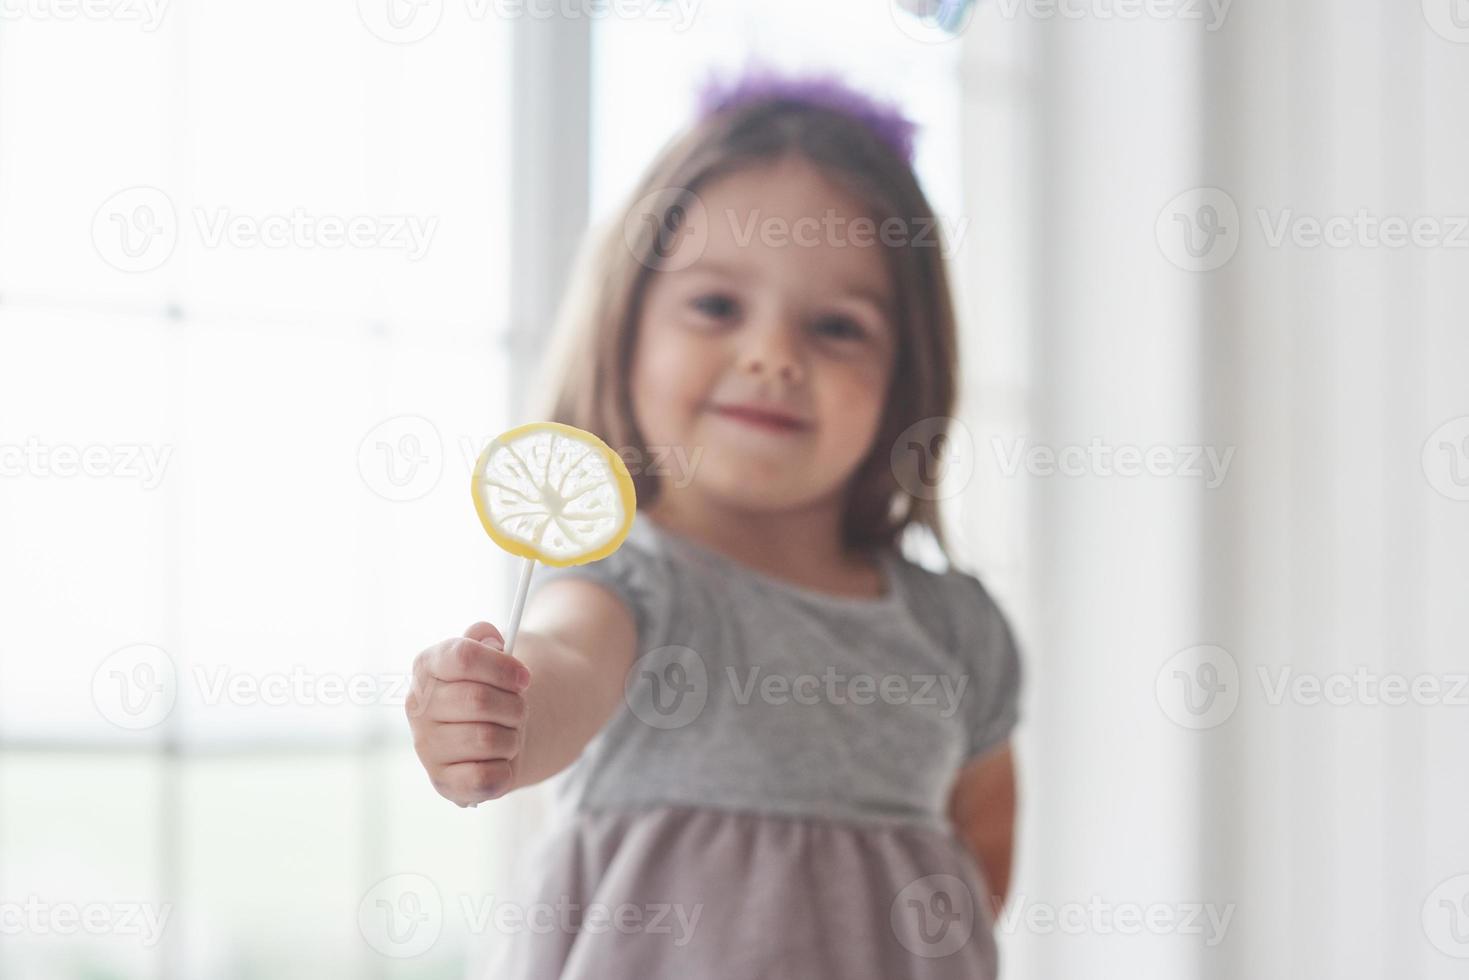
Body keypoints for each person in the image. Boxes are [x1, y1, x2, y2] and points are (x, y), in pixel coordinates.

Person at [406, 70, 1025, 978]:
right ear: (625, 333)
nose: (772, 355)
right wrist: (499, 712)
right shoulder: (635, 584)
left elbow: (981, 848)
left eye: (837, 326)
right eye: (716, 307)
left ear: (906, 372)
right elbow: (563, 664)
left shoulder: (953, 627)